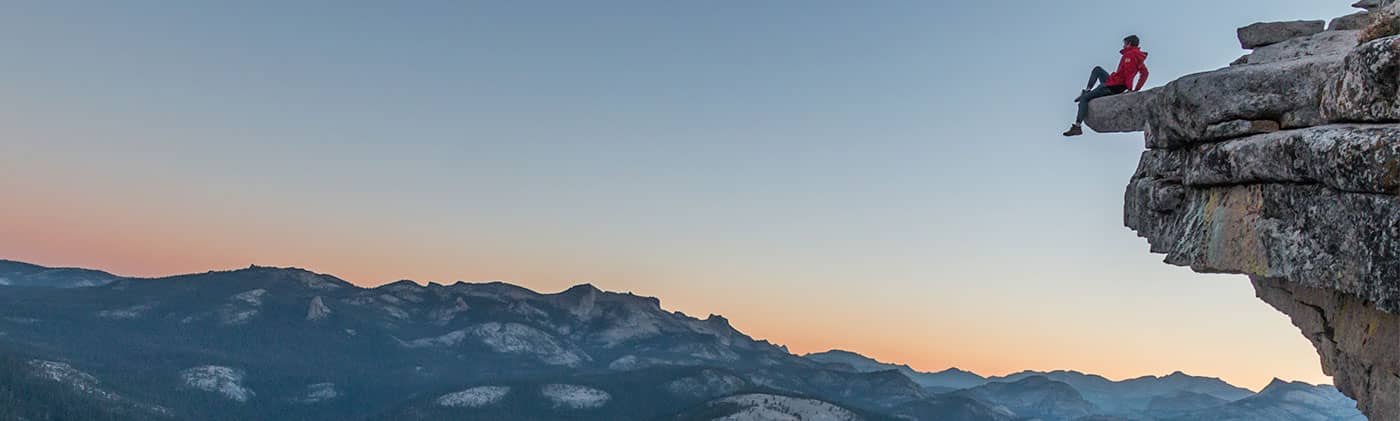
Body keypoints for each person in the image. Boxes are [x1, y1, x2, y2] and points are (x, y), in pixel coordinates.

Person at [1064, 35, 1149, 137]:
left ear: (1129, 44)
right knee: (1098, 69)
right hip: (1114, 81)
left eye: (1124, 43)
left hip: (1114, 86)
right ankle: (1087, 90)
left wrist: (1131, 90)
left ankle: (1077, 126)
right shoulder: (1137, 56)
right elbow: (1145, 73)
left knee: (1084, 99)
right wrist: (1137, 88)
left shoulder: (1129, 55)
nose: (1123, 45)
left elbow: (1128, 73)